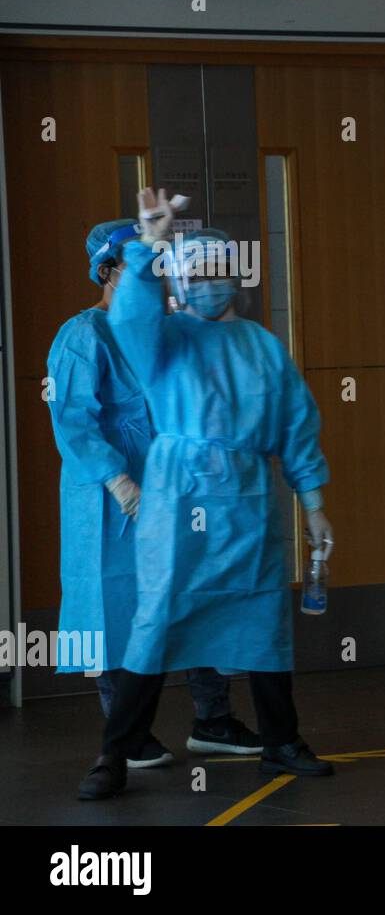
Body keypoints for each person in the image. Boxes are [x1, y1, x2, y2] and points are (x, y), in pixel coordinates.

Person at [77, 190, 335, 800]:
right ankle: (114, 755)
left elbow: (296, 426)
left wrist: (315, 503)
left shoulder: (263, 347)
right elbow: (129, 317)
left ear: (235, 279)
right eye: (197, 272)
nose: (210, 282)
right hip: (179, 496)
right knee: (158, 616)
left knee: (263, 616)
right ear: (180, 280)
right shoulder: (163, 338)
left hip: (248, 500)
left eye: (220, 272)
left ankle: (281, 740)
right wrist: (145, 248)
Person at [50, 220, 262, 770]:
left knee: (198, 592)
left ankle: (213, 719)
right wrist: (118, 480)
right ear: (107, 271)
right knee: (112, 602)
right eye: (135, 264)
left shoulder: (167, 329)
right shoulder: (83, 335)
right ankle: (127, 734)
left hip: (178, 481)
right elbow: (74, 420)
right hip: (108, 493)